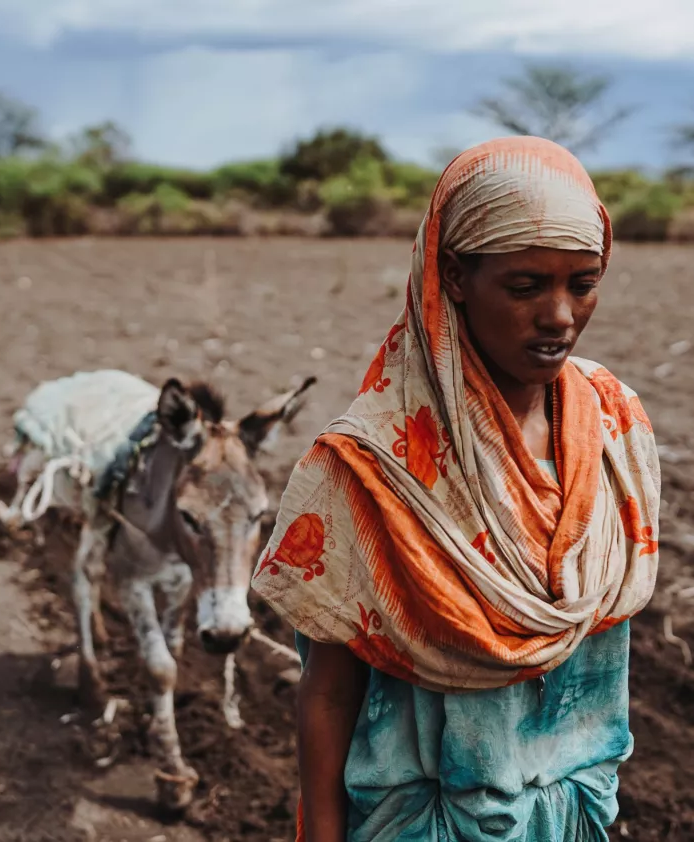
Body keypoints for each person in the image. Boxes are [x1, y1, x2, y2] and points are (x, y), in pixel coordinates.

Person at [252, 137, 660, 842]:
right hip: (424, 820)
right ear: (453, 276)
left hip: (573, 811)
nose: (559, 315)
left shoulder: (614, 424)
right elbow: (328, 685)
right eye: (525, 286)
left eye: (582, 282)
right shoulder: (371, 463)